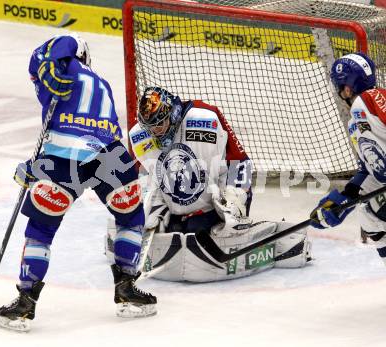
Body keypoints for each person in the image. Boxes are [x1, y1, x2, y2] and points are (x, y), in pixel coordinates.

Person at [0, 34, 156, 332]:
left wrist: (36, 167)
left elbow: (60, 43)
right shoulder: (102, 83)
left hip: (63, 154)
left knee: (41, 229)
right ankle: (127, 288)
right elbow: (93, 127)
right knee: (131, 216)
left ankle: (25, 301)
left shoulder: (56, 65)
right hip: (110, 153)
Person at [114, 87, 311, 282]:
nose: (155, 133)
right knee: (172, 232)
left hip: (213, 205)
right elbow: (146, 177)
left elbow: (239, 162)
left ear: (172, 114)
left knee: (197, 232)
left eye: (159, 125)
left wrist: (235, 200)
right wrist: (150, 209)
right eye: (150, 128)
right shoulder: (139, 135)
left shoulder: (206, 116)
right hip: (175, 209)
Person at [310, 52, 386, 265]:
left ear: (347, 87)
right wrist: (345, 198)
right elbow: (369, 170)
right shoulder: (357, 122)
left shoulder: (370, 99)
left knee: (372, 215)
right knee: (370, 216)